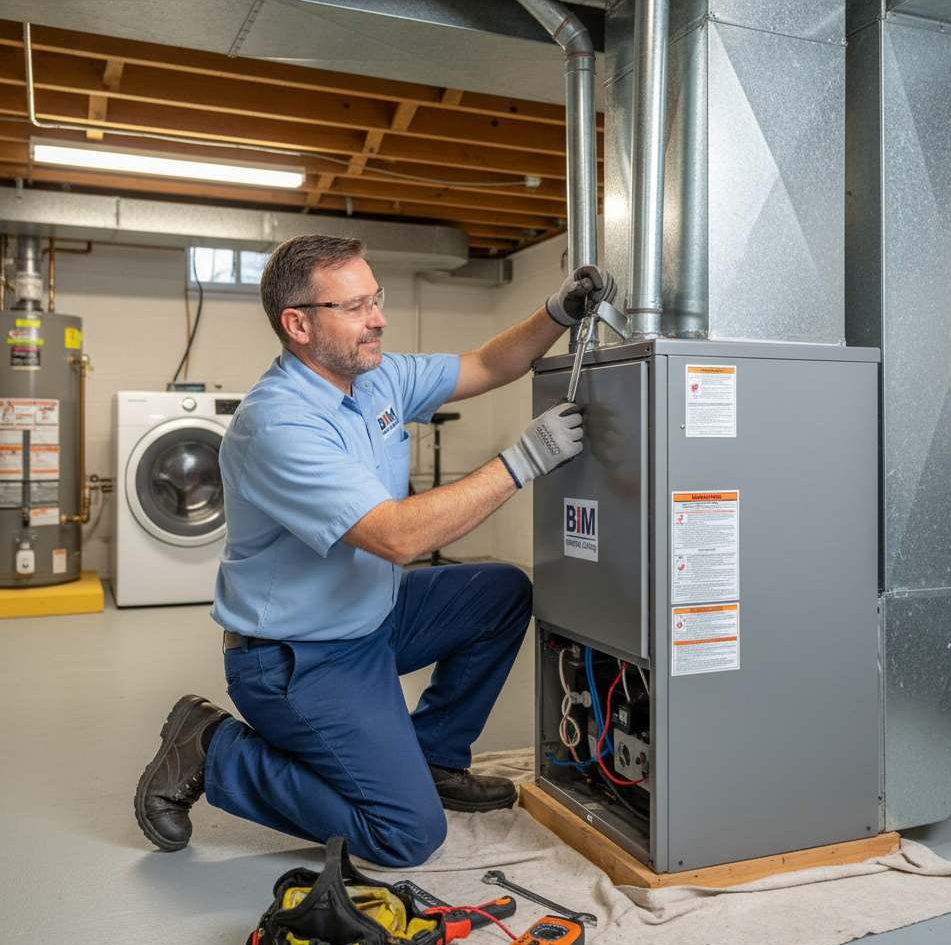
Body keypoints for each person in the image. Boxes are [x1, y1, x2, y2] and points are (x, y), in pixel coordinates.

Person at [133, 234, 615, 868]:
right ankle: (213, 747)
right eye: (356, 306)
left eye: (376, 298)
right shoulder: (278, 423)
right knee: (405, 834)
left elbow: (487, 365)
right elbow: (398, 535)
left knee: (502, 593)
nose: (378, 318)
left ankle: (434, 757)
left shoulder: (376, 377)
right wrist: (523, 460)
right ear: (298, 324)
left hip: (373, 619)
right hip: (299, 659)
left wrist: (556, 312)